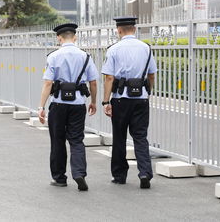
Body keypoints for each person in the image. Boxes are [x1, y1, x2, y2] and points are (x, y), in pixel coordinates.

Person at [38, 23, 98, 191]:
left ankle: (59, 178)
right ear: (75, 37)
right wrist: (93, 101)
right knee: (77, 140)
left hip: (58, 104)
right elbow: (93, 82)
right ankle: (79, 173)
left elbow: (48, 82)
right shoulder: (86, 56)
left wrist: (41, 107)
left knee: (57, 141)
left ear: (59, 37)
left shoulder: (53, 56)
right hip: (78, 104)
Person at [101, 17, 157, 189]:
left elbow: (109, 77)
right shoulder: (146, 48)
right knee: (140, 136)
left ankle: (119, 175)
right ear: (134, 29)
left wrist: (105, 101)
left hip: (120, 99)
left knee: (119, 137)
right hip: (140, 98)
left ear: (118, 30)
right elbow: (152, 74)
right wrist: (148, 92)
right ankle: (144, 172)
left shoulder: (114, 49)